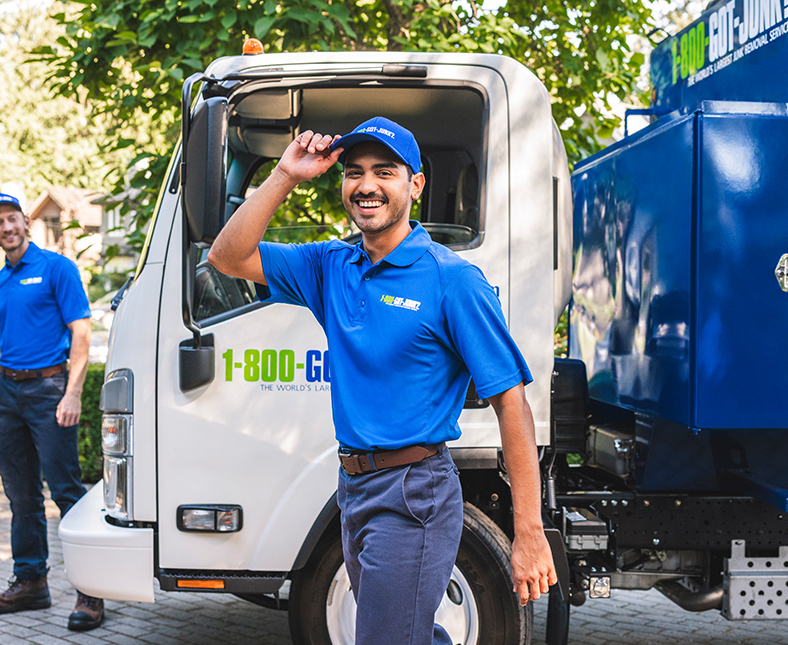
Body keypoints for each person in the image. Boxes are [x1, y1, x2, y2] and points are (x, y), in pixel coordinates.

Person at [208, 117, 557, 645]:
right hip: (355, 487)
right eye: (353, 172)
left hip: (415, 491)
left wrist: (528, 531)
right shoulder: (331, 266)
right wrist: (283, 175)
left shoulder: (451, 280)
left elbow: (512, 403)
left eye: (384, 172)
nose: (366, 185)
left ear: (415, 185)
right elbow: (227, 257)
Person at [0, 192, 105, 632]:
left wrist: (73, 393)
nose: (5, 228)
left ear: (25, 222)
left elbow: (80, 333)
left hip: (49, 389)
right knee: (21, 494)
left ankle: (92, 591)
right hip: (9, 395)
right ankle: (30, 583)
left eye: (11, 219)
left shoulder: (57, 269)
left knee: (66, 491)